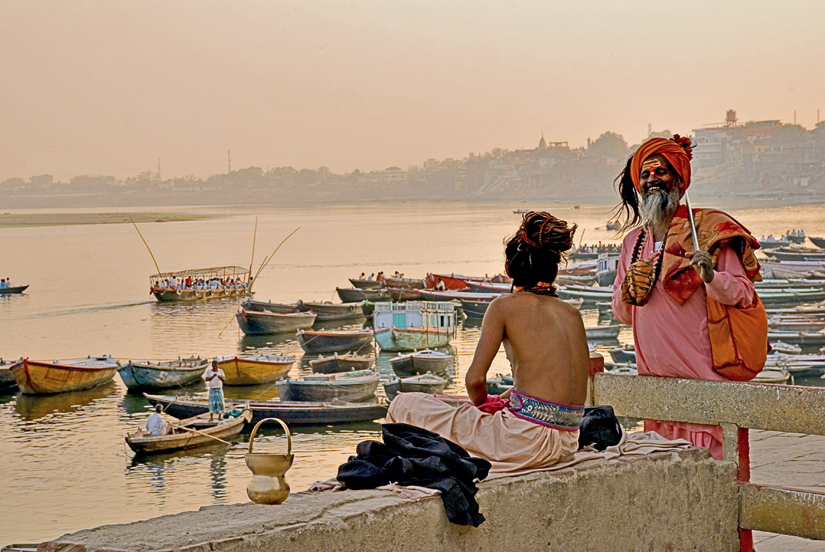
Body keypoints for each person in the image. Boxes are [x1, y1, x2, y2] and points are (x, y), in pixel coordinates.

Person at [387, 212, 590, 472]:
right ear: (554, 269)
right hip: (567, 442)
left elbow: (474, 381)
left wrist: (484, 406)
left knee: (403, 404)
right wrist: (505, 399)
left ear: (509, 270)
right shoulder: (572, 313)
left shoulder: (503, 306)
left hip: (524, 443)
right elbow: (551, 392)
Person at [611, 135, 763, 460]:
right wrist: (627, 291)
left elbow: (744, 294)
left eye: (661, 172)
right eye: (646, 174)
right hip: (656, 393)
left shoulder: (707, 231)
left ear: (679, 180)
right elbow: (623, 314)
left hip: (705, 386)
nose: (653, 180)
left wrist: (711, 276)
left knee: (716, 489)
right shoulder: (633, 242)